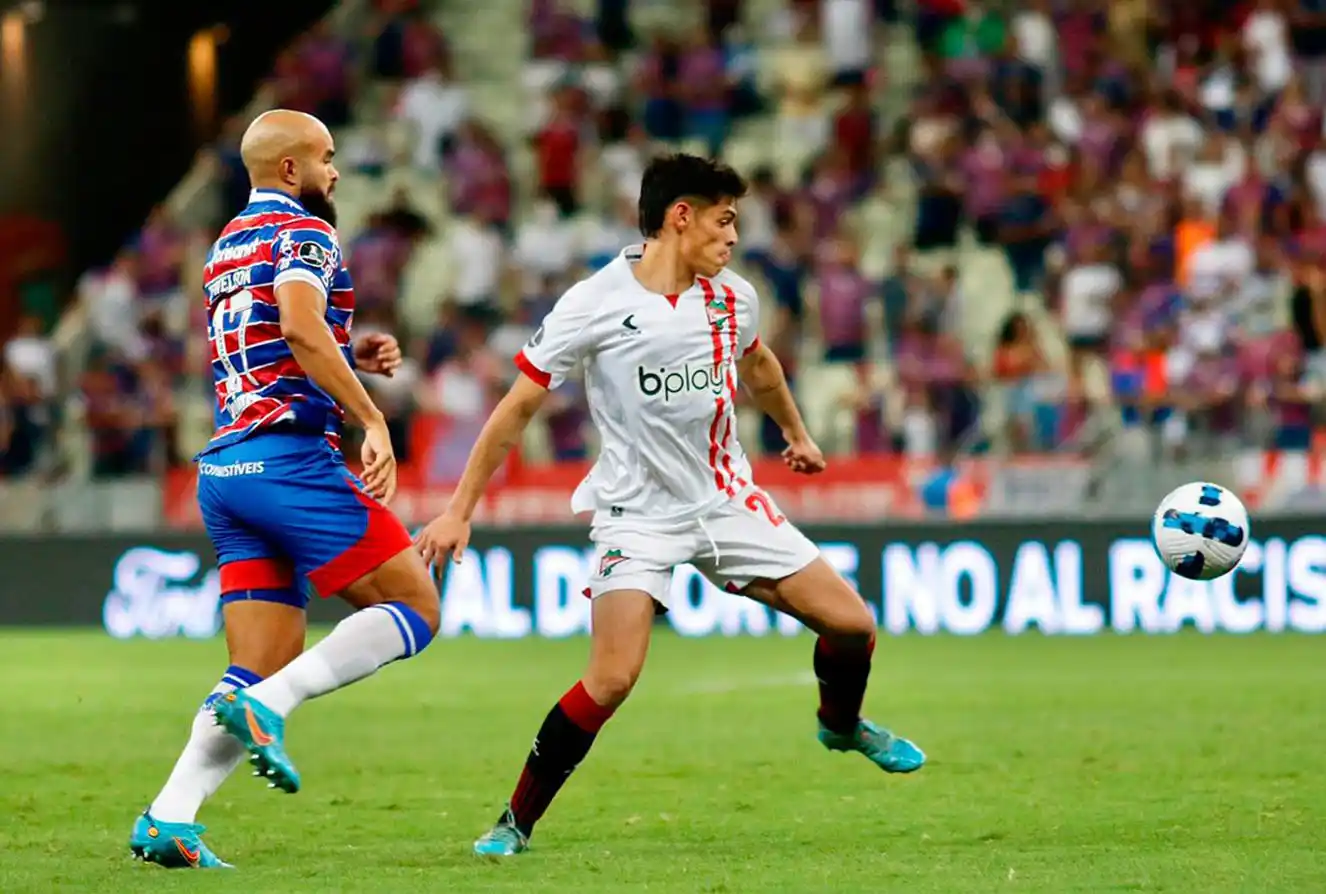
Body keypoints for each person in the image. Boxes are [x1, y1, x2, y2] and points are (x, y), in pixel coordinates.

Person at [414, 154, 925, 858]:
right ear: (679, 217)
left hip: (725, 499)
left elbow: (760, 365)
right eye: (724, 220)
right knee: (612, 678)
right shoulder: (594, 303)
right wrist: (458, 510)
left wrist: (797, 434)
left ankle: (841, 725)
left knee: (852, 627)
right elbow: (517, 407)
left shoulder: (732, 296)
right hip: (637, 514)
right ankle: (514, 821)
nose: (734, 237)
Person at [129, 110, 440, 869]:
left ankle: (169, 817)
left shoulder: (225, 246)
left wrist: (348, 345)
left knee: (258, 663)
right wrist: (370, 415)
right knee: (417, 608)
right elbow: (299, 329)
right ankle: (268, 708)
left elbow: (269, 336)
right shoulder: (306, 231)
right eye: (328, 158)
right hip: (288, 462)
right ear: (293, 170)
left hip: (227, 471)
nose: (336, 172)